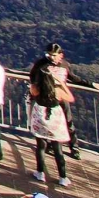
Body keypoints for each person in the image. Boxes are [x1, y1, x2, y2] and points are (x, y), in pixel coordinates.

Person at [33, 43, 99, 161]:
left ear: (60, 55)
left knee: (68, 123)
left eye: (54, 55)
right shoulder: (41, 64)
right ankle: (51, 144)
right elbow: (33, 79)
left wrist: (92, 84)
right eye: (49, 55)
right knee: (49, 123)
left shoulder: (65, 65)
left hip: (61, 98)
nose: (51, 57)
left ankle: (74, 147)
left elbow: (74, 78)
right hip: (46, 99)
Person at [28, 57, 72, 187]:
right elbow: (70, 98)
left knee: (41, 146)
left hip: (40, 115)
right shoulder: (57, 91)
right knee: (58, 149)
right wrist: (61, 83)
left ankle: (40, 172)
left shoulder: (37, 88)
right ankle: (62, 177)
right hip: (55, 117)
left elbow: (32, 92)